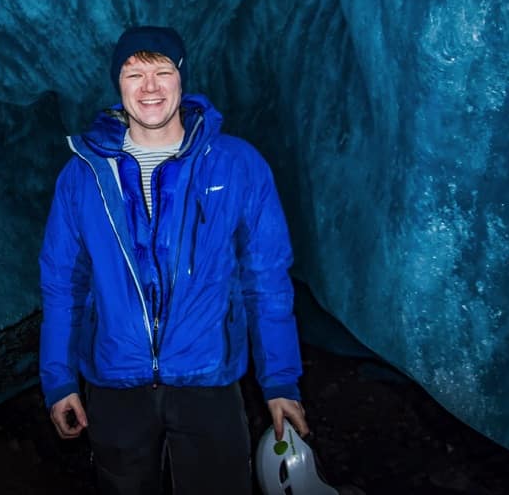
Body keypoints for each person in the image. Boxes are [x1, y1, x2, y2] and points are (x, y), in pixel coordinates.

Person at [39, 25, 308, 495]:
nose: (149, 87)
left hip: (207, 378)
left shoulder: (236, 164)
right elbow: (64, 285)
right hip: (116, 381)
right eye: (133, 73)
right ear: (117, 85)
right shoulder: (82, 174)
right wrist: (59, 380)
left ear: (181, 80)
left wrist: (280, 381)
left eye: (162, 71)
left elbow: (265, 279)